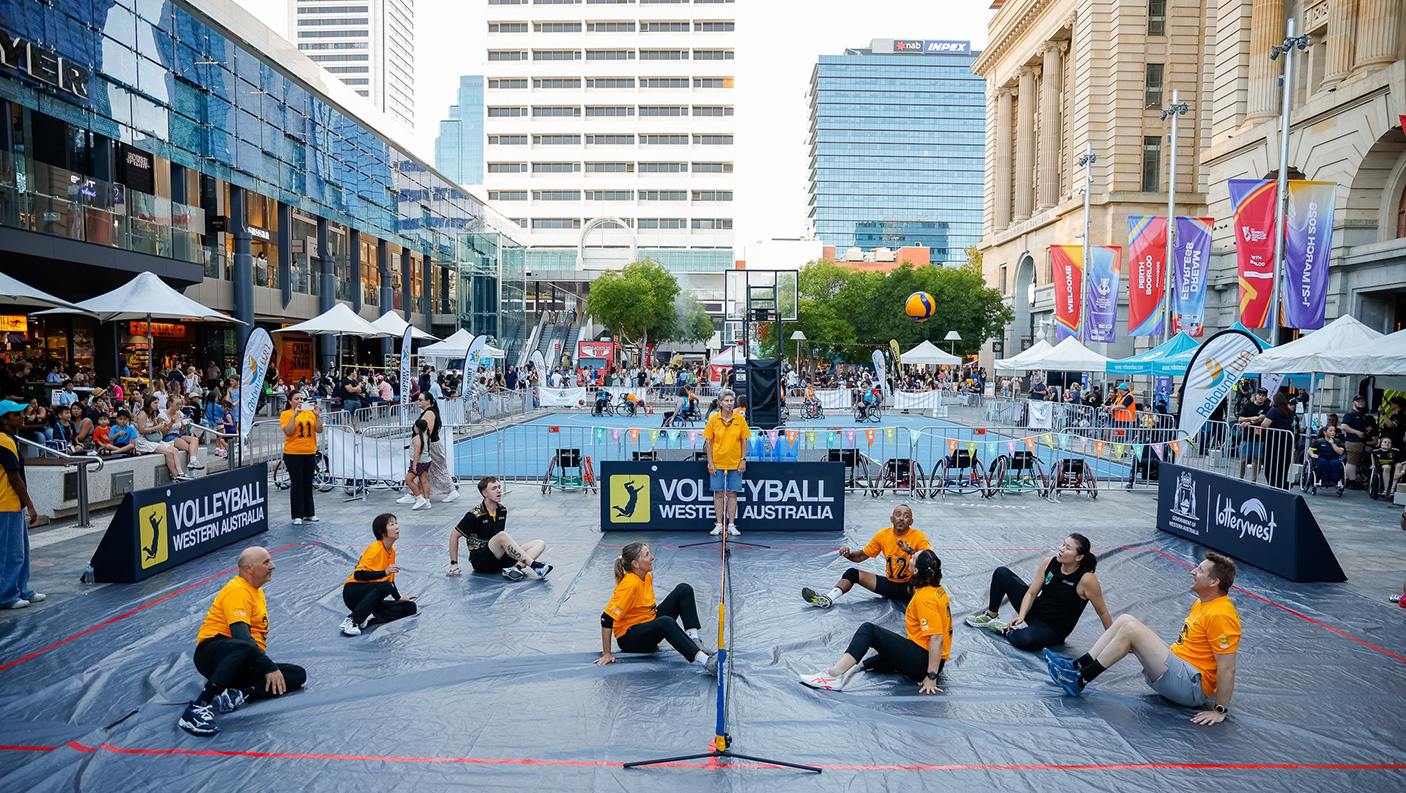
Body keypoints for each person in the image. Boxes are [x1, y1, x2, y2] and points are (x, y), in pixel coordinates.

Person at [1046, 552, 1240, 726]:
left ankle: (1080, 680)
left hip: (1191, 688)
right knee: (1125, 620)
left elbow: (1228, 667)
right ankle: (1077, 666)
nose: (1192, 571)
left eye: (1199, 570)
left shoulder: (1221, 615)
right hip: (1180, 670)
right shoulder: (1203, 603)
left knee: (1132, 629)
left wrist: (1219, 710)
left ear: (1214, 582)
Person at [178, 546, 307, 736]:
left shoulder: (256, 592)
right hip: (213, 652)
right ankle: (197, 708)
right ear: (248, 568)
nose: (273, 566)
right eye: (266, 562)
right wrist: (268, 667)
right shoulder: (238, 591)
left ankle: (239, 694)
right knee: (248, 650)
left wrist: (267, 669)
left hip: (241, 658)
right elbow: (241, 637)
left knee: (296, 674)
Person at [800, 550, 950, 692]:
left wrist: (931, 676)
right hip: (927, 658)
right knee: (877, 660)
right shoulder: (936, 588)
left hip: (923, 662)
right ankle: (851, 668)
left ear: (916, 570)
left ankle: (833, 675)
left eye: (913, 558)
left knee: (869, 631)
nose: (909, 558)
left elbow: (936, 638)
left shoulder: (925, 599)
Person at [965, 534, 1113, 651]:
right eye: (1063, 544)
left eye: (1068, 548)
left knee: (1025, 640)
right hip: (1035, 611)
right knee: (1001, 573)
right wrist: (1022, 615)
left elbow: (1102, 612)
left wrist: (1113, 639)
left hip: (1052, 629)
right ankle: (991, 615)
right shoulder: (1050, 563)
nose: (1061, 549)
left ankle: (1006, 630)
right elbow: (1031, 593)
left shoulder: (1087, 579)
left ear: (1079, 557)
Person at [595, 542, 716, 674]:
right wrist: (607, 653)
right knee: (666, 622)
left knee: (683, 589)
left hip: (647, 623)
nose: (652, 557)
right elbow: (606, 619)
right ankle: (706, 661)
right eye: (647, 555)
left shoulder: (646, 576)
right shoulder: (629, 585)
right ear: (636, 564)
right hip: (630, 638)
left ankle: (694, 642)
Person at [801, 504, 930, 607]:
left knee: (927, 584)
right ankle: (828, 598)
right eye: (898, 515)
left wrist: (910, 551)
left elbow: (930, 562)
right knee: (852, 573)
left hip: (910, 587)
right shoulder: (883, 535)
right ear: (892, 519)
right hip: (889, 585)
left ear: (911, 521)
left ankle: (924, 609)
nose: (901, 518)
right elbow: (861, 556)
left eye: (906, 516)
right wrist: (849, 554)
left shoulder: (918, 536)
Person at [447, 476, 551, 580]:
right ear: (485, 493)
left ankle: (515, 568)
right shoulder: (474, 515)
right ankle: (535, 566)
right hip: (481, 561)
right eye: (494, 488)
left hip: (499, 557)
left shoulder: (502, 510)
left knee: (540, 543)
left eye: (499, 487)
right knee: (502, 536)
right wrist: (454, 563)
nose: (499, 491)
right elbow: (454, 536)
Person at [340, 514, 418, 636]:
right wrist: (384, 572)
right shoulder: (375, 548)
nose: (397, 527)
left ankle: (368, 616)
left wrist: (398, 598)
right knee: (385, 586)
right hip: (353, 592)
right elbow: (358, 575)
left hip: (370, 596)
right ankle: (353, 620)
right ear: (381, 532)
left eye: (396, 523)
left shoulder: (391, 551)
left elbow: (390, 581)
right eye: (392, 524)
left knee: (410, 607)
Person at [0, 400, 42, 610]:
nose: (23, 416)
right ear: (5, 419)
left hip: (14, 503)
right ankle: (6, 595)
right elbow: (14, 477)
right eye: (17, 414)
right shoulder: (4, 441)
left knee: (21, 550)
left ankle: (21, 589)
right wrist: (31, 505)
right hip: (6, 502)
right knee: (10, 552)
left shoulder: (11, 438)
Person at [703, 387, 750, 537]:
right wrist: (710, 462)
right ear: (720, 403)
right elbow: (708, 442)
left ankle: (731, 525)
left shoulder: (740, 419)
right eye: (727, 401)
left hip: (735, 463)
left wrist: (743, 460)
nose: (730, 403)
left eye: (731, 401)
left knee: (732, 494)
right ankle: (718, 524)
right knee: (718, 493)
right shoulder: (713, 419)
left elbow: (744, 441)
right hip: (717, 462)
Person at [399, 392, 460, 506]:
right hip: (429, 445)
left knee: (437, 469)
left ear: (428, 401)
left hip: (431, 446)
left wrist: (420, 444)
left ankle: (451, 490)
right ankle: (415, 494)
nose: (419, 402)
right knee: (427, 471)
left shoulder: (430, 413)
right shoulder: (428, 412)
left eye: (421, 400)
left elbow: (428, 431)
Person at [280, 391, 323, 526]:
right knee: (297, 483)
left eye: (301, 398)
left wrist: (318, 416)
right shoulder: (286, 414)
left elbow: (319, 430)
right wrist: (295, 415)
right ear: (290, 401)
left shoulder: (309, 413)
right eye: (296, 399)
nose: (300, 401)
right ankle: (297, 515)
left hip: (309, 451)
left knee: (307, 483)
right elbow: (289, 431)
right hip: (293, 453)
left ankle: (309, 513)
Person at [135, 395, 190, 481]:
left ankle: (181, 473)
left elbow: (158, 426)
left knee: (174, 450)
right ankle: (175, 475)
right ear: (149, 403)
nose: (157, 405)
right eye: (155, 403)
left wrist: (168, 424)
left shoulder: (153, 414)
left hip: (152, 438)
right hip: (142, 440)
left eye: (158, 403)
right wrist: (157, 427)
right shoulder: (142, 414)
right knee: (168, 452)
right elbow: (141, 430)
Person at [1259, 391, 1297, 489]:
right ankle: (1282, 483)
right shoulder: (1289, 412)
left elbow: (1265, 424)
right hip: (1286, 440)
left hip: (1273, 440)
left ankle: (1274, 484)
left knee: (1270, 464)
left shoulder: (1274, 410)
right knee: (1282, 464)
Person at [1340, 395, 1376, 487]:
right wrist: (1357, 432)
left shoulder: (1362, 415)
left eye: (1363, 401)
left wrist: (1365, 429)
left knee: (1353, 461)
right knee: (1352, 461)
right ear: (1354, 402)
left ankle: (1348, 480)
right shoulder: (1350, 414)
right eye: (1359, 401)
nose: (1362, 403)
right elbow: (1344, 426)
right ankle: (1351, 481)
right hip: (1353, 441)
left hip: (1360, 441)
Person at [1235, 388, 1270, 482]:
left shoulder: (1267, 407)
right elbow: (1240, 418)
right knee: (1243, 459)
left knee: (1257, 459)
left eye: (1263, 395)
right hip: (1247, 436)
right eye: (1259, 395)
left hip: (1260, 437)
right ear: (1256, 395)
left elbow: (1261, 418)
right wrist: (1251, 418)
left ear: (1265, 397)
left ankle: (1254, 479)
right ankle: (1241, 477)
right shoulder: (1248, 406)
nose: (1260, 397)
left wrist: (1249, 422)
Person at [404, 418, 433, 510]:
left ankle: (419, 498)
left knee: (408, 480)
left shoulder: (417, 438)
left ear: (417, 428)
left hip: (419, 462)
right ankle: (427, 501)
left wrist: (414, 465)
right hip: (427, 461)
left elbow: (417, 452)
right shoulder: (426, 436)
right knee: (423, 481)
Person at [1307, 425, 1345, 492]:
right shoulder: (1319, 441)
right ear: (1325, 432)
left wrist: (1333, 444)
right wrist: (1313, 455)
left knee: (1335, 463)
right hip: (1321, 458)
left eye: (1334, 431)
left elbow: (1340, 452)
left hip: (1333, 458)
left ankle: (1333, 480)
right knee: (1323, 463)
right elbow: (1310, 450)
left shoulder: (1337, 441)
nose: (1333, 433)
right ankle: (1323, 479)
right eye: (1330, 431)